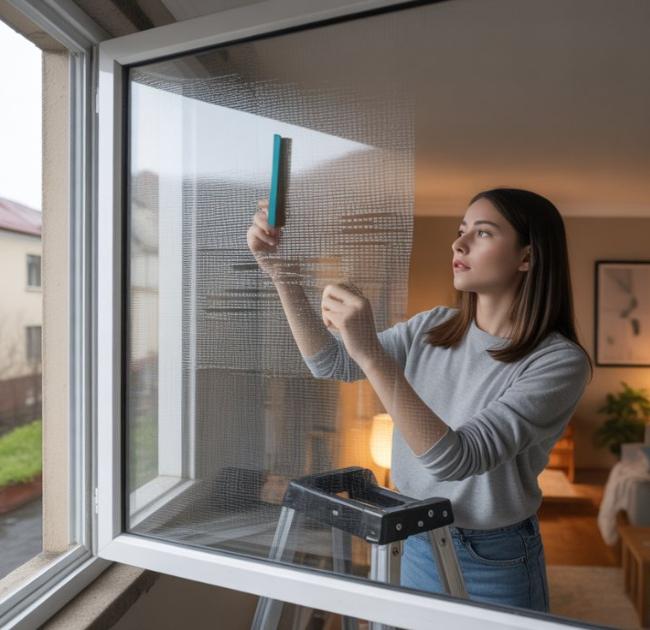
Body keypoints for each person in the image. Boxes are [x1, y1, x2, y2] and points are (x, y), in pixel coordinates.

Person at [246, 188, 591, 613]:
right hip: (415, 536)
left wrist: (372, 355)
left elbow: (456, 460)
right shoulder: (434, 325)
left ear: (527, 257)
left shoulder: (558, 362)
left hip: (494, 557)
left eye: (482, 233)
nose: (458, 244)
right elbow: (332, 363)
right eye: (461, 230)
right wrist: (282, 272)